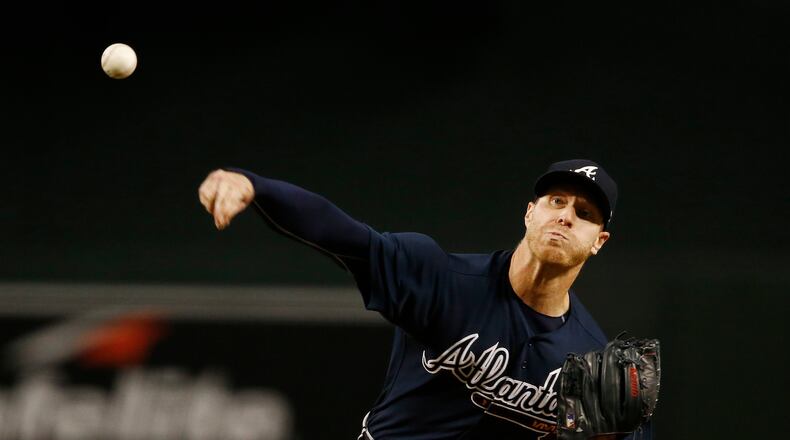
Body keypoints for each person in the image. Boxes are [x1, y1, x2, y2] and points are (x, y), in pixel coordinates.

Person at [197, 159, 652, 439]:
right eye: (556, 201)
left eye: (585, 213)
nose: (566, 217)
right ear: (530, 212)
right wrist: (254, 186)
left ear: (599, 241)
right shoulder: (442, 278)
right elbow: (344, 235)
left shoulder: (591, 360)